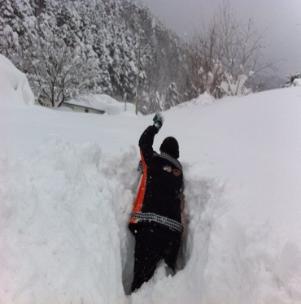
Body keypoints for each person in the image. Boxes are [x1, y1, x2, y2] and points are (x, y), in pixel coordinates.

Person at [129, 113, 184, 292]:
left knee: (141, 286)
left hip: (151, 229)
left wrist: (156, 126)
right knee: (166, 288)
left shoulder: (153, 161)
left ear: (161, 149)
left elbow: (143, 142)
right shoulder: (180, 172)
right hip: (174, 234)